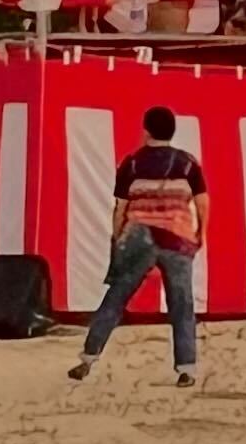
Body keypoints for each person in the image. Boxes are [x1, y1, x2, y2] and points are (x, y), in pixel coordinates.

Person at [72, 107, 207, 386]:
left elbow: (120, 208)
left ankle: (88, 358)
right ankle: (186, 368)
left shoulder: (132, 163)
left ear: (146, 131)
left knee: (116, 298)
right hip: (177, 236)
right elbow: (203, 201)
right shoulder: (188, 164)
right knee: (182, 304)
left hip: (139, 237)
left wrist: (117, 237)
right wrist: (201, 232)